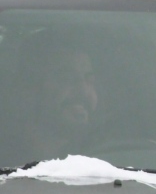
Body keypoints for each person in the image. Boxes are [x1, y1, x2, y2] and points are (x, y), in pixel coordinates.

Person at [0, 31, 98, 167]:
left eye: (89, 80)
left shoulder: (111, 159)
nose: (83, 90)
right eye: (66, 79)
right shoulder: (6, 163)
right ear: (29, 88)